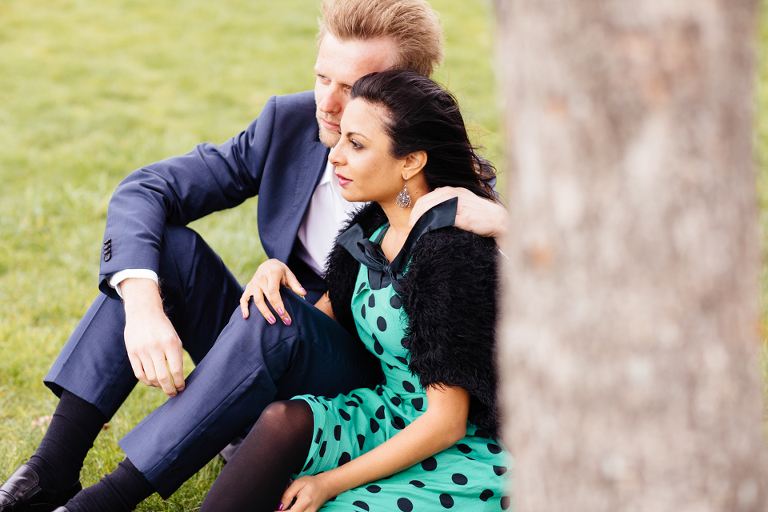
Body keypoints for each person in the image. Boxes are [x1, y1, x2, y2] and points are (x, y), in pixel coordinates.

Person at [0, 1, 507, 512]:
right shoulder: (289, 123)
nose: (328, 104)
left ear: (402, 92)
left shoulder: (444, 183)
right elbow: (149, 189)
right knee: (168, 255)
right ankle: (50, 470)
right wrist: (142, 304)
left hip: (371, 374)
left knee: (277, 322)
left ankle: (107, 500)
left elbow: (489, 296)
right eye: (321, 77)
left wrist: (508, 226)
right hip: (290, 323)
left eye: (352, 87)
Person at [195, 69, 510, 512]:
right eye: (340, 138)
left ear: (411, 162)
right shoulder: (368, 233)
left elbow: (448, 422)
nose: (334, 156)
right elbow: (312, 334)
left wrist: (330, 482)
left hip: (455, 445)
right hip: (383, 412)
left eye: (356, 145)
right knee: (282, 422)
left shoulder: (448, 253)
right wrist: (273, 275)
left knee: (326, 505)